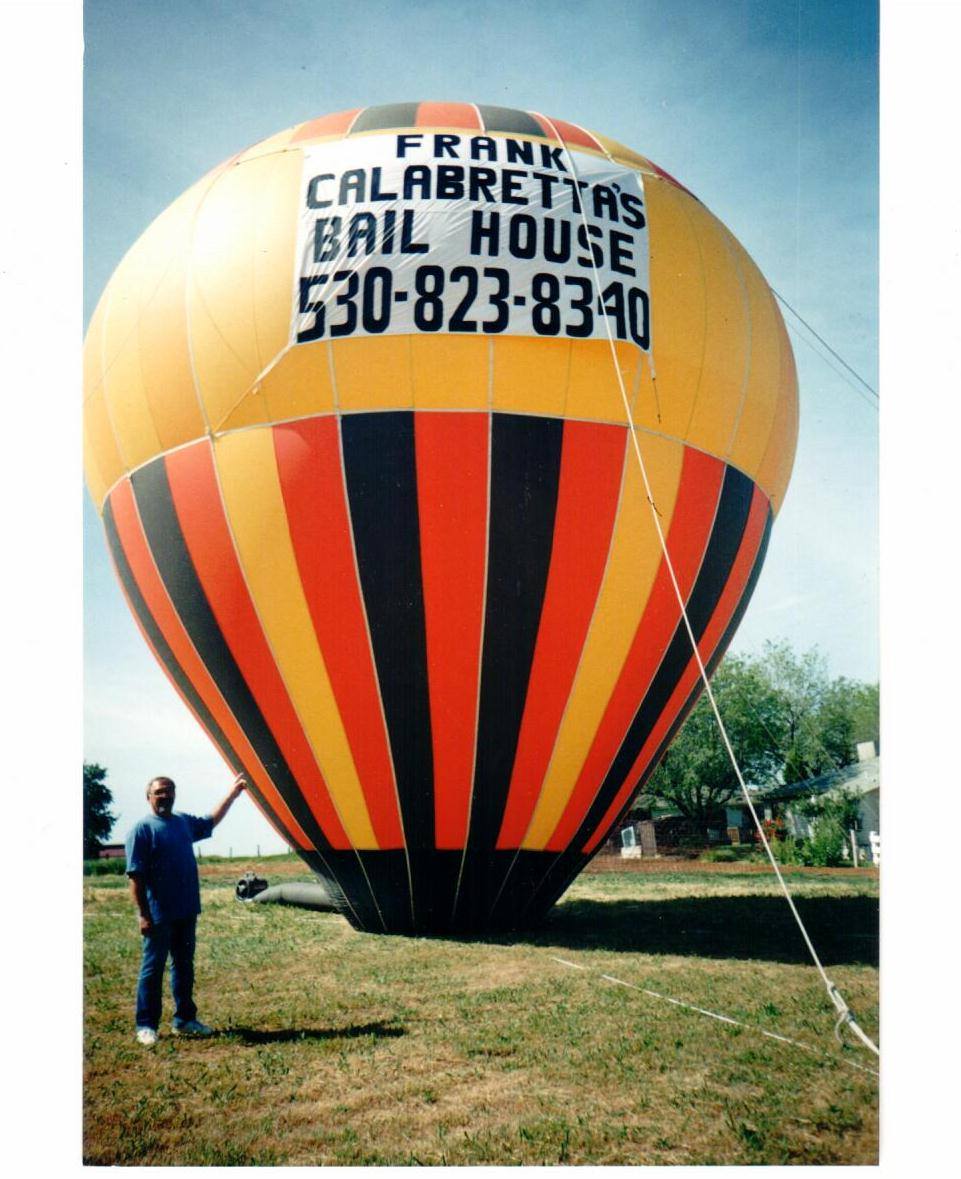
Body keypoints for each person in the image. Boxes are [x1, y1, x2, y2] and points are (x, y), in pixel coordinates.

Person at [125, 772, 247, 1046]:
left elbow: (210, 821)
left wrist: (233, 794)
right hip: (158, 914)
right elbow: (135, 877)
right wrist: (144, 915)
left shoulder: (182, 823)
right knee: (152, 968)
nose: (165, 795)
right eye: (159, 792)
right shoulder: (141, 830)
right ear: (149, 797)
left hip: (186, 910)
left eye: (169, 790)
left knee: (183, 966)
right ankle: (146, 1025)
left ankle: (185, 1019)